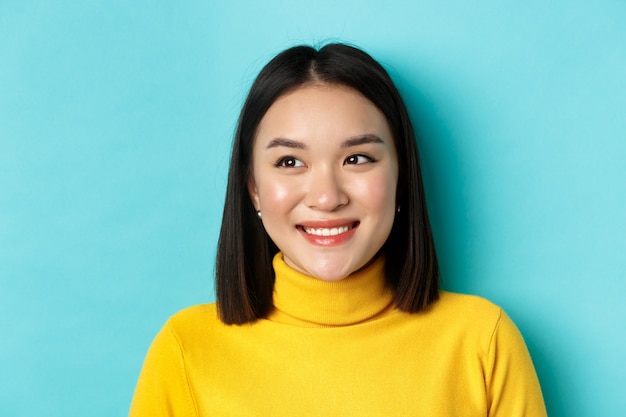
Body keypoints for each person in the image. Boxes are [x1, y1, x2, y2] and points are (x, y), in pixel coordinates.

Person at [129, 43, 547, 416]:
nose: (326, 197)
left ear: (402, 178)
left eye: (357, 158)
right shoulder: (186, 351)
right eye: (290, 162)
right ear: (253, 188)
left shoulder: (482, 343)